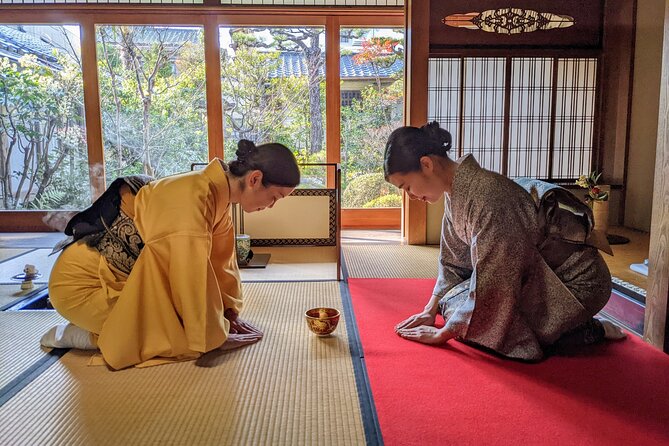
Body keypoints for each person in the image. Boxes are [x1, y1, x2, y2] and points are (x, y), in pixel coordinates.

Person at [41, 140, 300, 369]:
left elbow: (220, 264)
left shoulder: (216, 195)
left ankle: (106, 327)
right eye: (274, 197)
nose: (271, 206)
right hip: (83, 285)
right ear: (254, 179)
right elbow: (189, 276)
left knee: (179, 327)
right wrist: (213, 336)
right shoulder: (193, 196)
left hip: (124, 281)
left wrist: (229, 313)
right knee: (174, 338)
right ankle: (76, 336)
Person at [384, 122, 626, 361]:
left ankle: (583, 330)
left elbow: (496, 280)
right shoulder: (455, 191)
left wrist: (443, 334)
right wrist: (430, 310)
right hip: (532, 277)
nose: (410, 196)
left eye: (407, 187)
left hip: (572, 284)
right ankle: (553, 330)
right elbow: (453, 263)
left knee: (486, 327)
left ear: (426, 164)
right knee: (452, 304)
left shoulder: (489, 197)